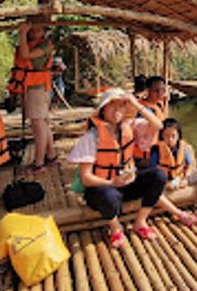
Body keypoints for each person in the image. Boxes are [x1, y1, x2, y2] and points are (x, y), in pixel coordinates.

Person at [67, 88, 167, 248]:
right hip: (101, 188)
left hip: (125, 184)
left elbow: (158, 125)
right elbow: (86, 178)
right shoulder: (92, 136)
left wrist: (135, 103)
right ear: (103, 110)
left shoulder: (131, 127)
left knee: (159, 176)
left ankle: (141, 221)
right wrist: (112, 183)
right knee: (109, 197)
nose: (117, 110)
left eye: (121, 106)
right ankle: (115, 227)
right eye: (112, 105)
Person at [8, 20, 55, 171]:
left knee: (38, 124)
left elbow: (25, 55)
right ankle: (51, 155)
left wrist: (21, 33)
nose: (34, 33)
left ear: (44, 31)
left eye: (38, 30)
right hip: (29, 87)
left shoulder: (45, 45)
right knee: (41, 123)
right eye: (31, 31)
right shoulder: (28, 43)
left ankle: (39, 162)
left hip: (38, 88)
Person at [152, 118, 197, 224]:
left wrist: (186, 180)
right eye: (166, 136)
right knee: (154, 189)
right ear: (161, 136)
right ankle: (178, 212)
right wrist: (166, 184)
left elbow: (190, 166)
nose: (170, 139)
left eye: (173, 136)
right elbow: (153, 172)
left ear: (178, 136)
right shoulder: (156, 151)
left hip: (181, 179)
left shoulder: (183, 148)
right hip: (165, 184)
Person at [133, 75, 168, 169]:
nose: (160, 93)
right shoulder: (144, 110)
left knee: (186, 147)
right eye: (156, 91)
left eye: (163, 90)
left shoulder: (158, 105)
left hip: (157, 150)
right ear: (148, 90)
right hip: (145, 155)